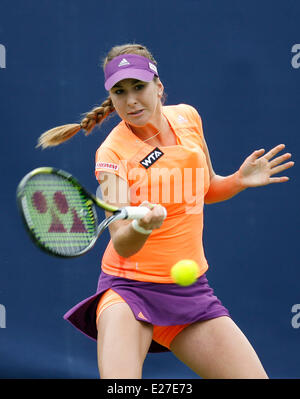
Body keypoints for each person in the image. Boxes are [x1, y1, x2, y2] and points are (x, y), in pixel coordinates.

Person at [37, 43, 294, 379]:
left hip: (191, 292)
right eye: (120, 91)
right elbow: (122, 242)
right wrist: (143, 226)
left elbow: (205, 190)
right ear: (111, 99)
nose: (131, 100)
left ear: (158, 86)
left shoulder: (188, 118)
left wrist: (238, 181)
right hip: (128, 292)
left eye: (138, 87)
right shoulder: (111, 154)